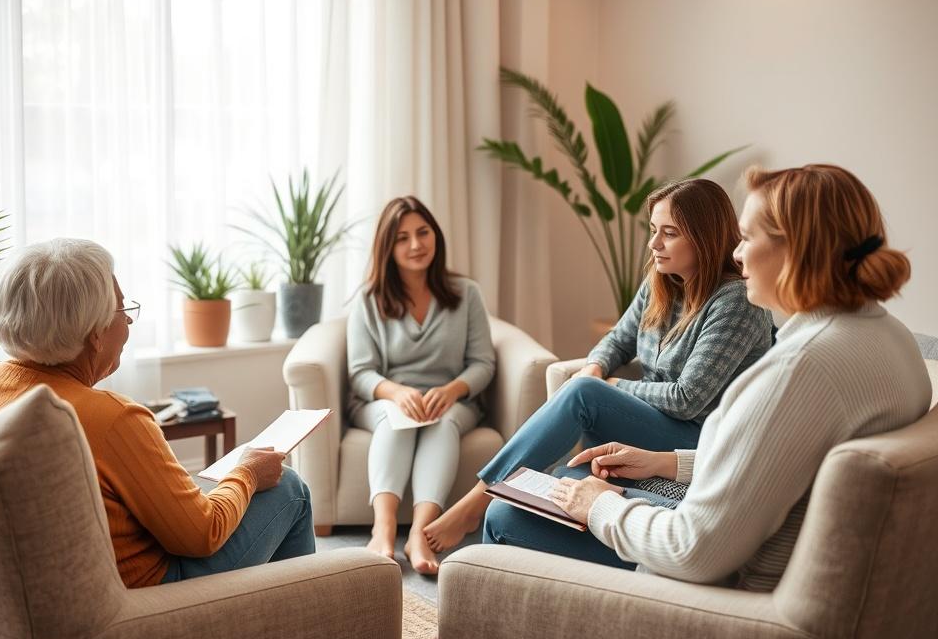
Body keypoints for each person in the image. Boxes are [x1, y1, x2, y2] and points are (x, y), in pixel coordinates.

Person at [484, 164, 931, 589]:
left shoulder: (798, 369)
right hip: (760, 548)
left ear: (796, 251)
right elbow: (781, 458)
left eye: (746, 238)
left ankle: (474, 603)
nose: (736, 253)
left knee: (512, 516)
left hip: (722, 593)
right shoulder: (891, 339)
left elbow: (692, 551)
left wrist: (601, 505)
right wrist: (665, 463)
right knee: (569, 481)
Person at [424, 178, 774, 552]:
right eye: (653, 230)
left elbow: (687, 398)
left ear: (704, 238)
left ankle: (474, 502)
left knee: (585, 395)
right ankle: (503, 520)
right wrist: (596, 365)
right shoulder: (663, 281)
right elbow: (618, 340)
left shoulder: (735, 300)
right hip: (655, 426)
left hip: (696, 442)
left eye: (669, 234)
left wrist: (607, 387)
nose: (654, 244)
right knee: (549, 490)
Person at [0, 238, 315, 588]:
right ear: (96, 334)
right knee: (289, 487)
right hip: (145, 595)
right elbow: (202, 535)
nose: (130, 322)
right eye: (122, 310)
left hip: (16, 590)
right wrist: (247, 473)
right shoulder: (110, 418)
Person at [347, 196, 496, 574]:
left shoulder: (466, 294)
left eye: (423, 232)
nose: (416, 245)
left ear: (436, 236)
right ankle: (382, 529)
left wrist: (450, 391)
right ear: (387, 247)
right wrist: (397, 392)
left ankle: (420, 533)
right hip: (385, 399)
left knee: (442, 421)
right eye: (402, 238)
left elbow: (483, 363)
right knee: (397, 418)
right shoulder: (368, 299)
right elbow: (360, 372)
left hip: (452, 402)